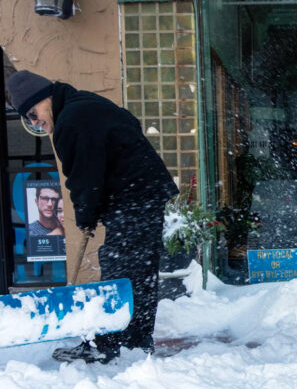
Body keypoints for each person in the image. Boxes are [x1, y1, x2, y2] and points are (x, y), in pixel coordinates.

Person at [6, 70, 179, 363]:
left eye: (34, 113)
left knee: (120, 271)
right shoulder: (82, 103)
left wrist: (86, 215)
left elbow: (85, 178)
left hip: (133, 197)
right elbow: (127, 127)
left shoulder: (70, 122)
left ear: (44, 98)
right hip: (143, 193)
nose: (35, 122)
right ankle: (134, 342)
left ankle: (109, 346)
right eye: (28, 119)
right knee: (139, 271)